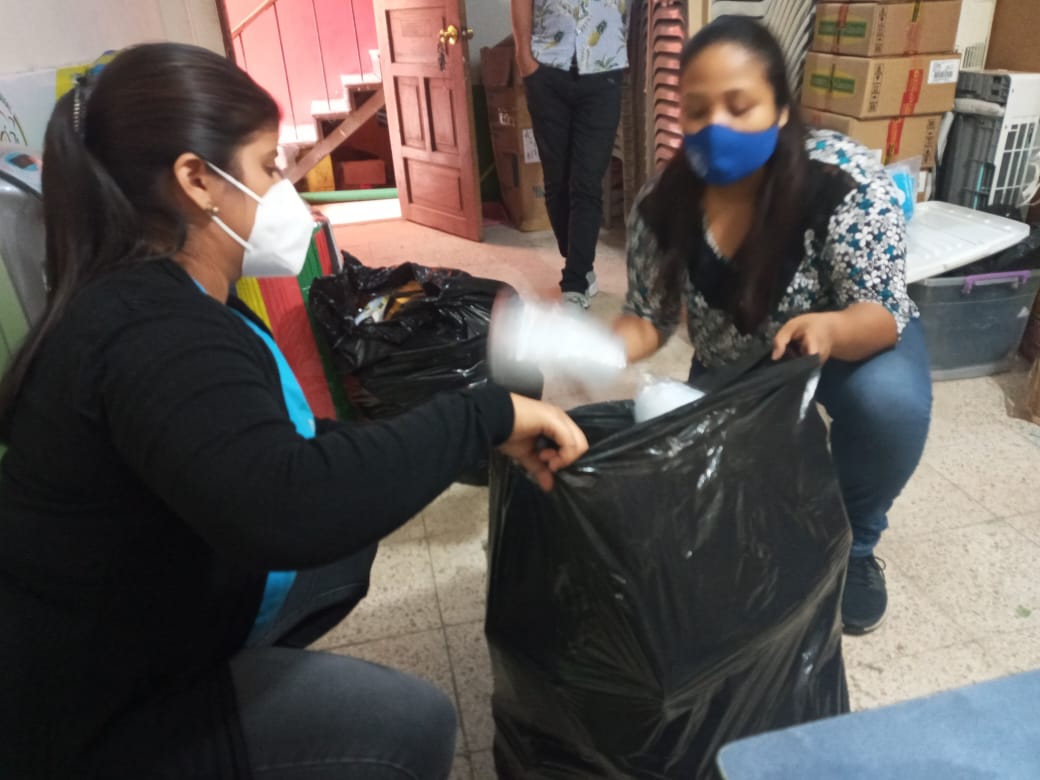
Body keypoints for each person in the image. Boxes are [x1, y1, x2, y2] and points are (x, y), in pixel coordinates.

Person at [0, 43, 588, 779]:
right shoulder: (154, 335)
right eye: (268, 167)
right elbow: (293, 503)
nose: (289, 195)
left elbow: (288, 452)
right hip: (83, 720)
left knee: (344, 542)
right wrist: (484, 414)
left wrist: (424, 442)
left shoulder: (142, 295)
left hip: (123, 625)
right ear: (197, 180)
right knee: (407, 723)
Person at [613, 17, 932, 635]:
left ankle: (857, 546)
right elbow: (649, 318)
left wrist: (831, 331)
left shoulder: (841, 180)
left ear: (781, 109)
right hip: (736, 359)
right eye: (698, 110)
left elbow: (880, 310)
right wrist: (599, 347)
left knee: (889, 404)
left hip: (846, 345)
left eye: (740, 106)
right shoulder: (663, 201)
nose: (717, 127)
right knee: (711, 493)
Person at [510, 0, 630, 311]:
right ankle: (579, 262)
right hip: (547, 68)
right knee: (557, 181)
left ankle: (575, 283)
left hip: (603, 69)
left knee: (586, 182)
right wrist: (524, 58)